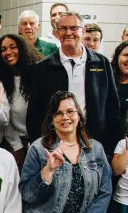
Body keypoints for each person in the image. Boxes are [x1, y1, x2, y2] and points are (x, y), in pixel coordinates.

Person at [26, 11, 120, 154]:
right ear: (57, 33)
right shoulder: (43, 67)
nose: (68, 32)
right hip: (55, 145)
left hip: (94, 141)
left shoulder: (101, 63)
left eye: (73, 28)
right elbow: (34, 112)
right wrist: (42, 145)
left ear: (82, 31)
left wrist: (110, 146)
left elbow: (112, 107)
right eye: (63, 28)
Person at [0, 34, 43, 165]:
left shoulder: (39, 74)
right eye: (3, 49)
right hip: (13, 142)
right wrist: (17, 145)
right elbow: (5, 119)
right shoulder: (0, 80)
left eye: (13, 47)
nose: (8, 52)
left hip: (40, 141)